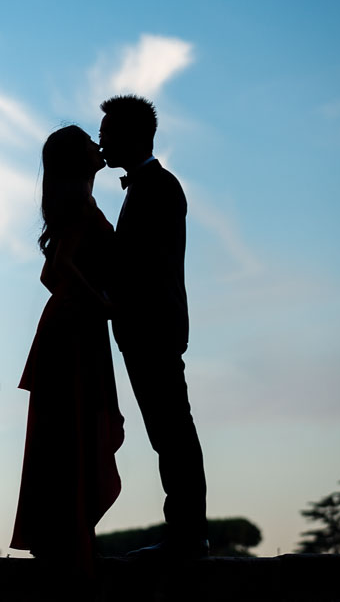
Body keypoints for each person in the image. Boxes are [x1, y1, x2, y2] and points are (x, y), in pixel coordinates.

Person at [10, 125, 125, 574]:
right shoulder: (80, 202)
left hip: (69, 323)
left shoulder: (73, 201)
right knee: (74, 427)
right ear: (78, 160)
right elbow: (58, 266)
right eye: (89, 145)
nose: (99, 148)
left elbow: (48, 275)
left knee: (64, 430)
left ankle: (62, 536)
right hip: (76, 327)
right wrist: (103, 304)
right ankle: (71, 539)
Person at [99, 94, 209, 559]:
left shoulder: (158, 188)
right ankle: (186, 532)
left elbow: (147, 267)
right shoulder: (149, 187)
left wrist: (110, 298)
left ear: (129, 136)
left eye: (107, 133)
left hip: (153, 329)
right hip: (146, 328)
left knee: (173, 432)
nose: (100, 141)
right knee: (168, 432)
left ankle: (186, 535)